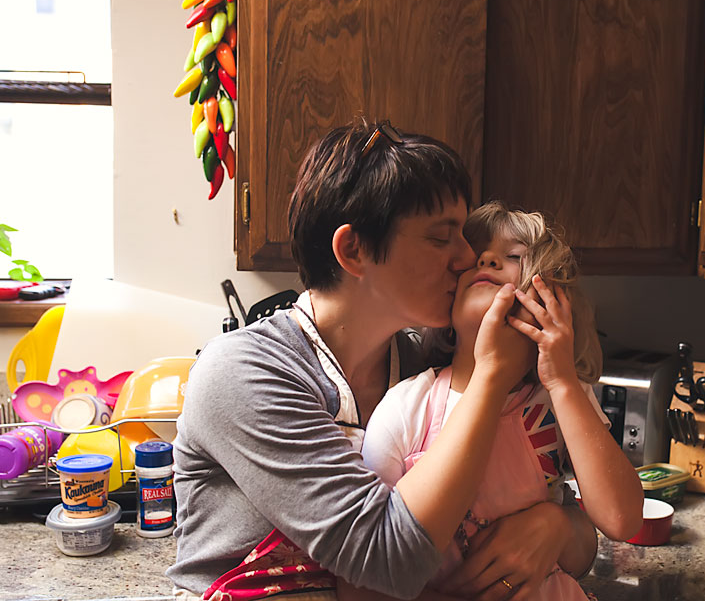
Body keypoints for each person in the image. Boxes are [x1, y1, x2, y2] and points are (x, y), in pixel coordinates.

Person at [167, 121, 598, 601]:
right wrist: (493, 376)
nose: (467, 256)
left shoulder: (426, 367)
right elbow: (386, 559)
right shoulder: (246, 372)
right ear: (354, 250)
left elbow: (579, 519)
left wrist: (557, 525)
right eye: (442, 237)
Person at [341, 202, 646, 600]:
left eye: (513, 256)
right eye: (473, 256)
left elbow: (621, 519)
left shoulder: (559, 396)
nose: (485, 258)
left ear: (550, 294)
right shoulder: (406, 407)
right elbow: (366, 572)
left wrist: (563, 381)